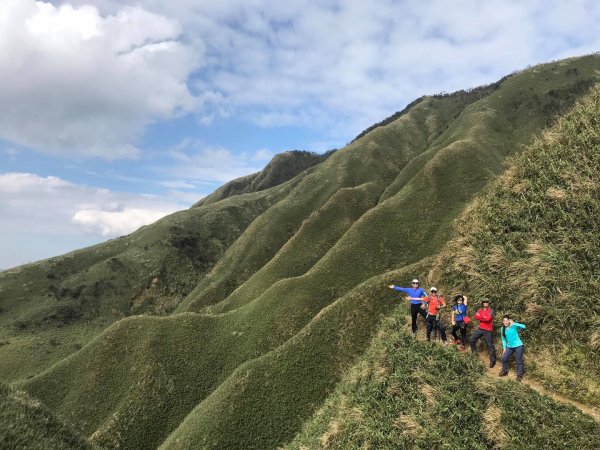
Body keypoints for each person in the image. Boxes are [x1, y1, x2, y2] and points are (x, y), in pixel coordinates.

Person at [469, 298, 497, 368]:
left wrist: (480, 317)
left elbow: (488, 319)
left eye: (486, 302)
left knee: (490, 345)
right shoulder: (480, 309)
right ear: (482, 303)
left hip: (488, 330)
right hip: (480, 328)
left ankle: (492, 361)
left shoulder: (491, 310)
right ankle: (474, 355)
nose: (485, 303)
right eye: (484, 302)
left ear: (489, 303)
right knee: (472, 339)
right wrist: (483, 317)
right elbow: (475, 316)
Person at [499, 315, 526, 382]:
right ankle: (505, 371)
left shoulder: (514, 326)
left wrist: (514, 323)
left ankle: (519, 375)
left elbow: (524, 326)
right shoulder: (502, 329)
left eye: (506, 321)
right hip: (509, 347)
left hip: (518, 346)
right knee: (504, 358)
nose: (505, 322)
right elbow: (503, 339)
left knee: (518, 361)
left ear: (509, 321)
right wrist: (504, 348)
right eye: (504, 321)